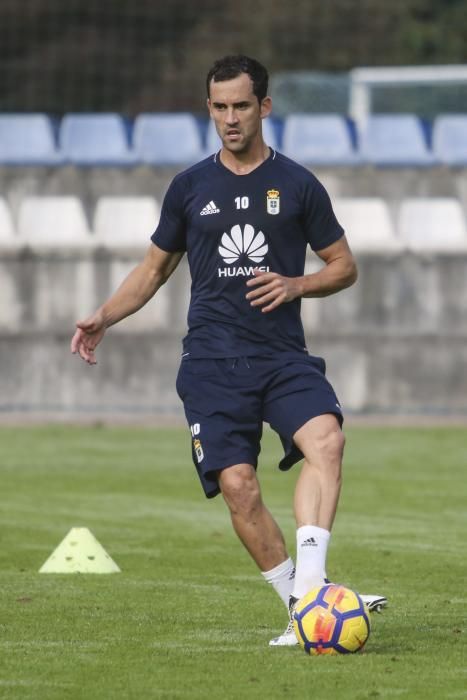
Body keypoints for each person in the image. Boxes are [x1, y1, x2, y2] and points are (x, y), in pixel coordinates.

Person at [71, 55, 387, 646]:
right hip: (212, 363)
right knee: (239, 485)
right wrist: (104, 317)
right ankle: (305, 606)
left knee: (327, 439)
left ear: (264, 107)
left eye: (242, 106)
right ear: (209, 108)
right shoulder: (189, 188)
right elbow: (153, 270)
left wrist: (298, 284)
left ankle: (313, 597)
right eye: (219, 107)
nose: (230, 118)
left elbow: (344, 266)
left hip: (282, 355)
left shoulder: (297, 184)